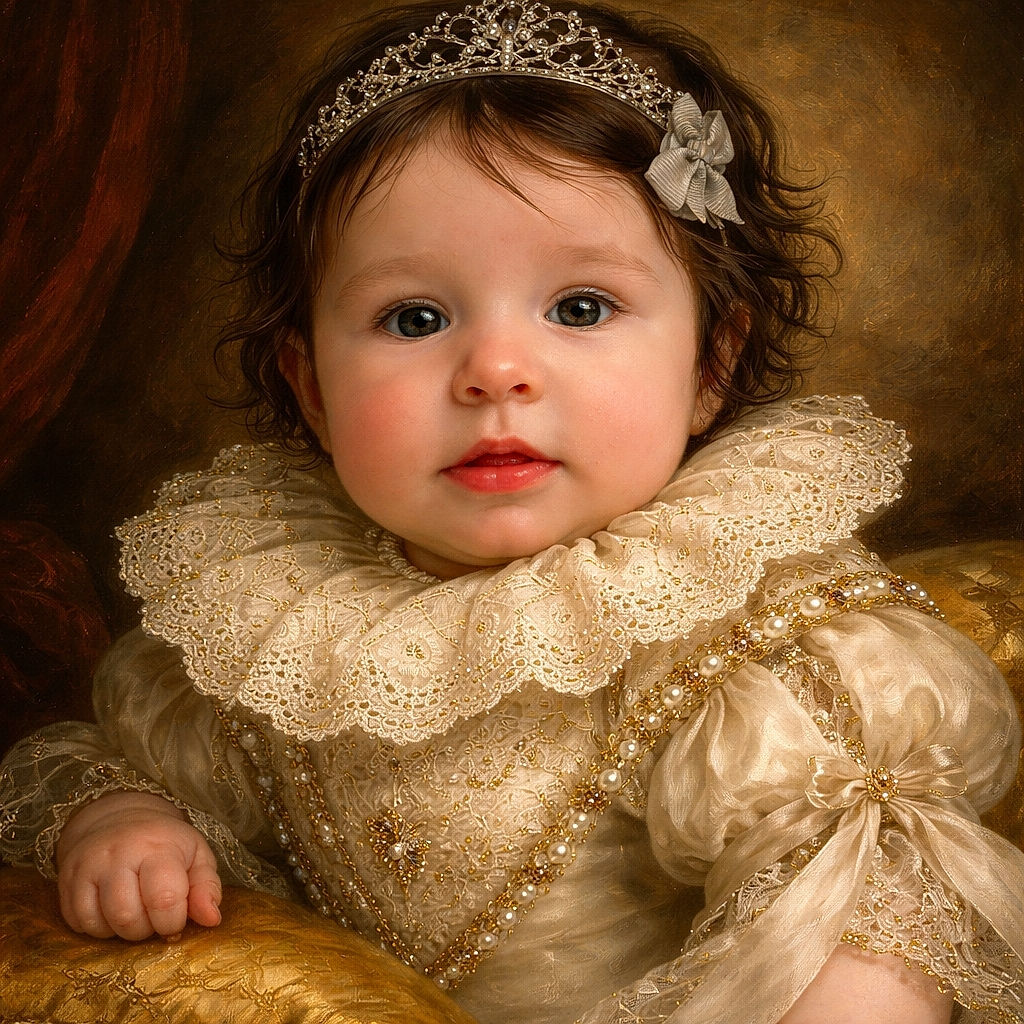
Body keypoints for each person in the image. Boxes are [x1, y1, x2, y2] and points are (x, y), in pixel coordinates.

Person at [1, 2, 1022, 1022]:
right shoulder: (268, 626)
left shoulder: (739, 628)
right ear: (309, 386)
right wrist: (125, 817)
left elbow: (870, 910)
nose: (494, 371)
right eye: (415, 318)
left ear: (709, 367)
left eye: (579, 307)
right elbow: (123, 758)